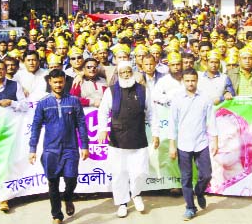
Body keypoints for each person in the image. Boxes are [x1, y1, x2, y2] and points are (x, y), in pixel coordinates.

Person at [98, 61, 159, 218]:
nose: (126, 75)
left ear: (132, 72)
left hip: (138, 138)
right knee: (119, 173)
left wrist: (156, 132)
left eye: (128, 72)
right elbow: (103, 111)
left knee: (139, 172)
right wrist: (103, 129)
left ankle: (136, 194)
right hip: (117, 140)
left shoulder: (143, 90)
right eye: (122, 72)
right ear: (118, 74)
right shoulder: (111, 91)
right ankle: (122, 203)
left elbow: (152, 113)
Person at [29, 69, 89, 224]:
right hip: (51, 150)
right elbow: (35, 126)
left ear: (65, 82)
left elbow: (82, 125)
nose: (58, 85)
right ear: (50, 82)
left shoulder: (74, 101)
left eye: (61, 82)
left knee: (71, 179)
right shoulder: (43, 103)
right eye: (55, 82)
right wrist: (32, 149)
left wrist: (85, 146)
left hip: (70, 148)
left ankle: (68, 197)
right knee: (53, 183)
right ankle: (57, 215)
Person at [168, 68, 218, 221]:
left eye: (193, 80)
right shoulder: (177, 99)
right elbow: (172, 123)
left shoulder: (205, 98)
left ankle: (200, 191)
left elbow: (211, 120)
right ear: (183, 81)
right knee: (186, 177)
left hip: (201, 142)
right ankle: (190, 207)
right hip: (183, 144)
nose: (190, 83)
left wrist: (215, 140)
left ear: (197, 80)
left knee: (206, 174)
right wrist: (172, 145)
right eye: (187, 81)